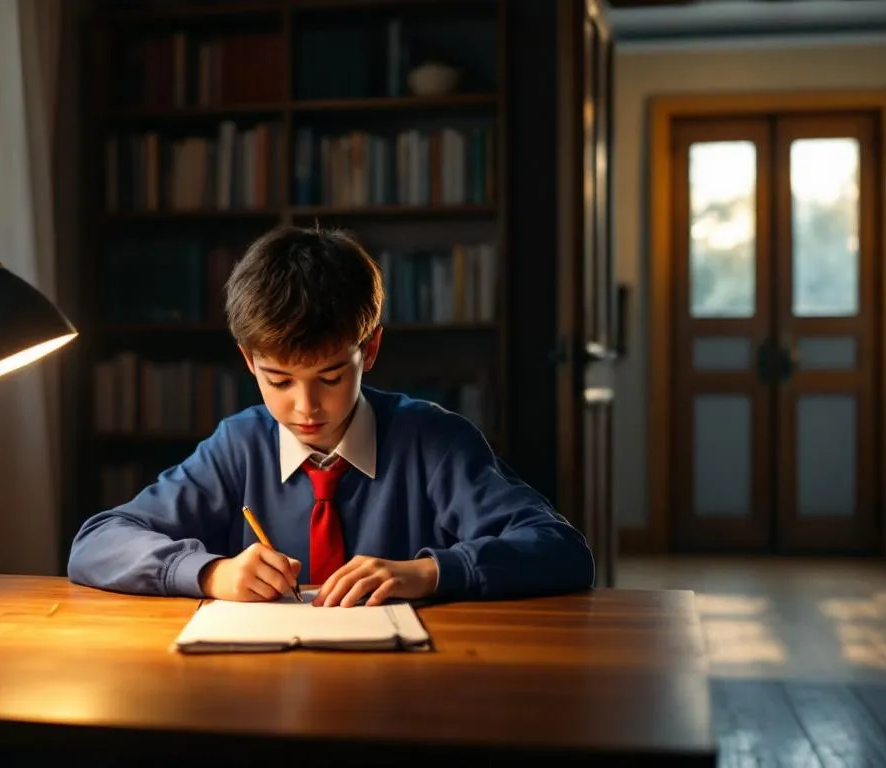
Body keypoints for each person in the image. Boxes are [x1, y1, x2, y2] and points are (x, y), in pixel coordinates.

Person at [68, 225, 594, 607]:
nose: (305, 407)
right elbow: (97, 543)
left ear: (371, 350)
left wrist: (430, 572)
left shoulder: (433, 442)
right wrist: (209, 574)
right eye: (278, 381)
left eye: (331, 377)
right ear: (248, 361)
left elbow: (564, 551)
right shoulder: (239, 446)